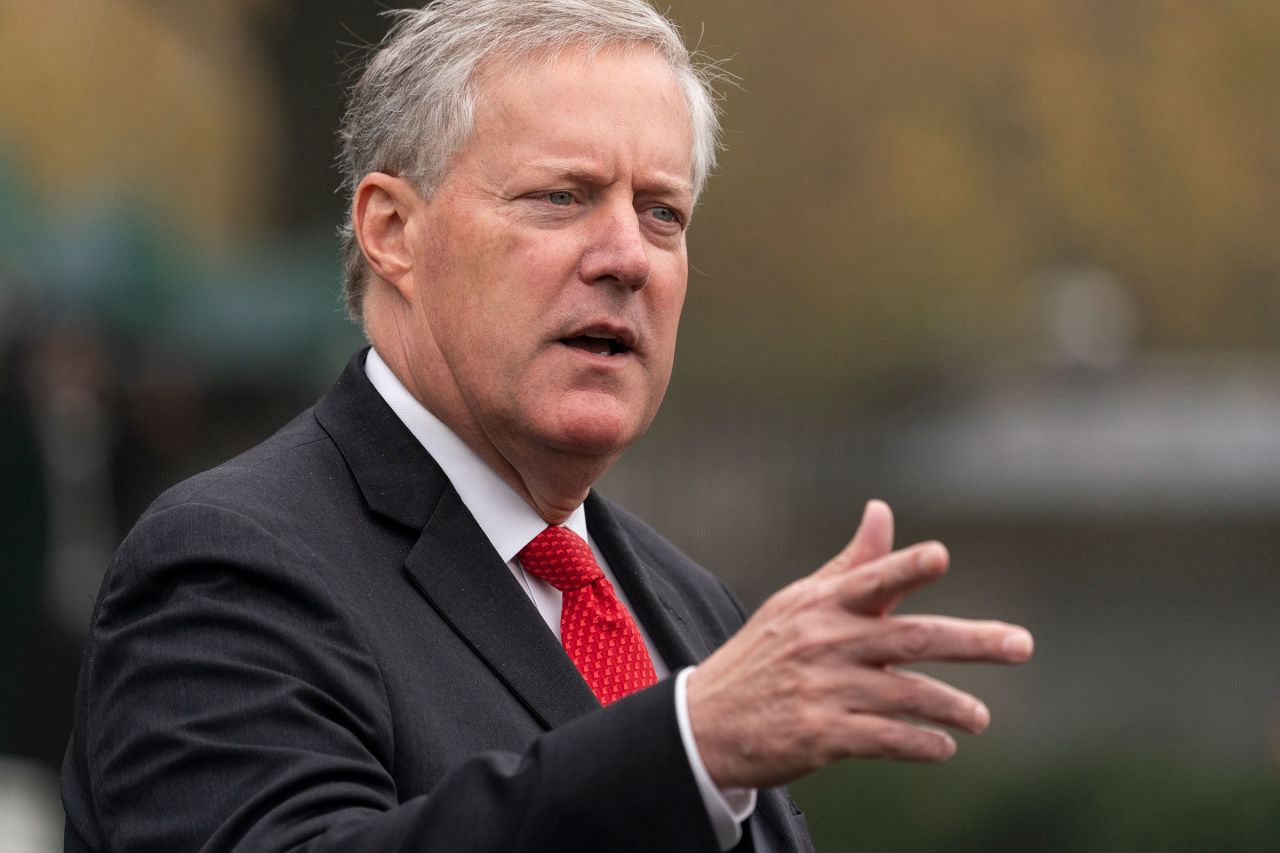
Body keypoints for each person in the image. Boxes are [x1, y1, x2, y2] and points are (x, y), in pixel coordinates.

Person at [61, 2, 1034, 851]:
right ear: (392, 231)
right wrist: (685, 747)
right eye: (561, 197)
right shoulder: (231, 563)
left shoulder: (692, 609)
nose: (626, 257)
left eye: (661, 213)